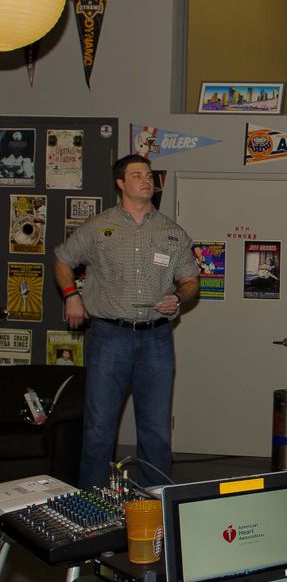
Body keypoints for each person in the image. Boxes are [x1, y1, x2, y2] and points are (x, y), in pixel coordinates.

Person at [53, 154, 198, 489]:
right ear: (121, 183)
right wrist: (71, 295)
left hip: (156, 340)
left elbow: (190, 281)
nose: (146, 180)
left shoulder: (171, 232)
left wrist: (179, 295)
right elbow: (62, 258)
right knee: (100, 429)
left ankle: (156, 501)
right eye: (137, 175)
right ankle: (94, 506)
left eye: (149, 175)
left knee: (156, 431)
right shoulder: (98, 227)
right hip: (109, 337)